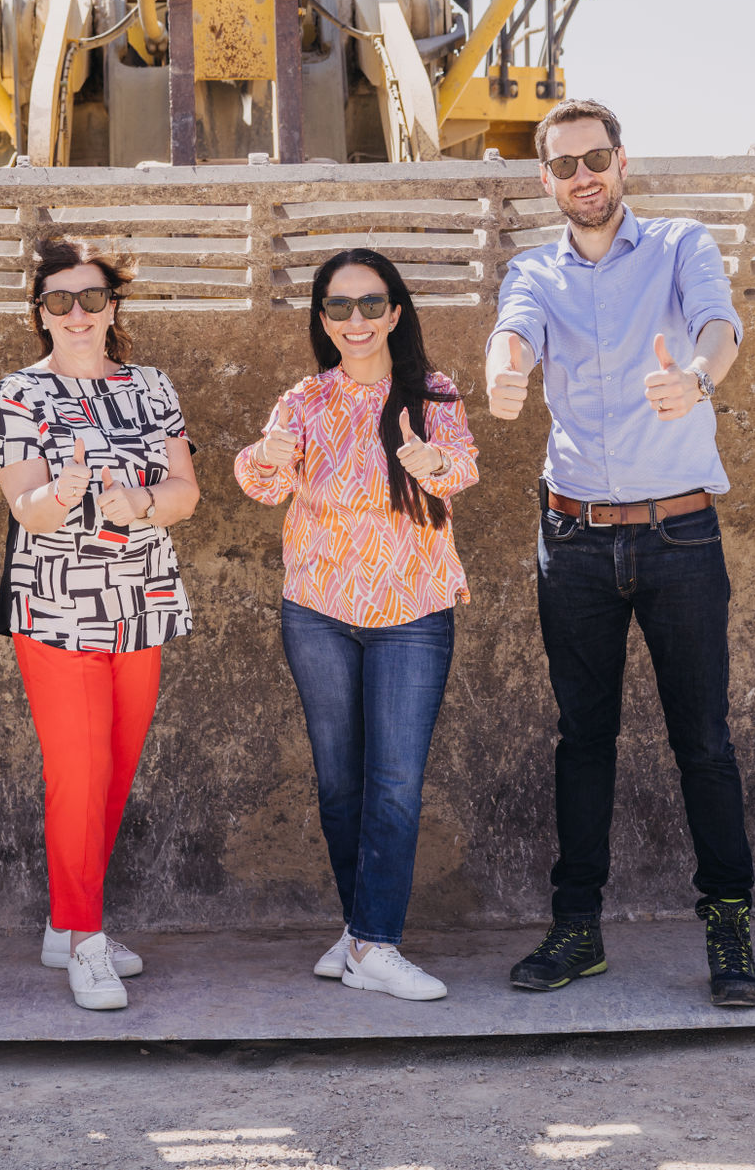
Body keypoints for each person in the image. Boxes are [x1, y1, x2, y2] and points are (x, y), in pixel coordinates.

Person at [484, 98, 755, 1008]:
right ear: (545, 180)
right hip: (573, 542)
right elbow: (513, 331)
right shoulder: (534, 269)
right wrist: (503, 371)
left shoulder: (681, 245)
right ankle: (577, 928)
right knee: (582, 740)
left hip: (681, 536)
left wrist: (697, 378)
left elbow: (719, 325)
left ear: (622, 161)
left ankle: (729, 925)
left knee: (704, 741)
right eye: (565, 165)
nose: (584, 177)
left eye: (595, 158)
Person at [236, 247, 479, 1003]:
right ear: (323, 319)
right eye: (340, 306)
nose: (357, 319)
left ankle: (374, 942)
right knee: (340, 784)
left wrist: (428, 460)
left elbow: (461, 468)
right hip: (319, 610)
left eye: (371, 303)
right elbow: (263, 485)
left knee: (395, 783)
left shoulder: (432, 393)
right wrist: (266, 453)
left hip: (413, 611)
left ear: (395, 313)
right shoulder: (304, 399)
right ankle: (359, 932)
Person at [0, 236, 200, 1012]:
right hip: (56, 608)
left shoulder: (151, 385)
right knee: (76, 774)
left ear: (113, 308)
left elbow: (185, 492)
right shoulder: (19, 393)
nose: (77, 313)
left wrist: (142, 501)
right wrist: (62, 491)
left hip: (141, 600)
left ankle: (65, 922)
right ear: (40, 313)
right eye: (59, 300)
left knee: (112, 772)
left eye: (92, 298)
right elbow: (26, 509)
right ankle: (86, 941)